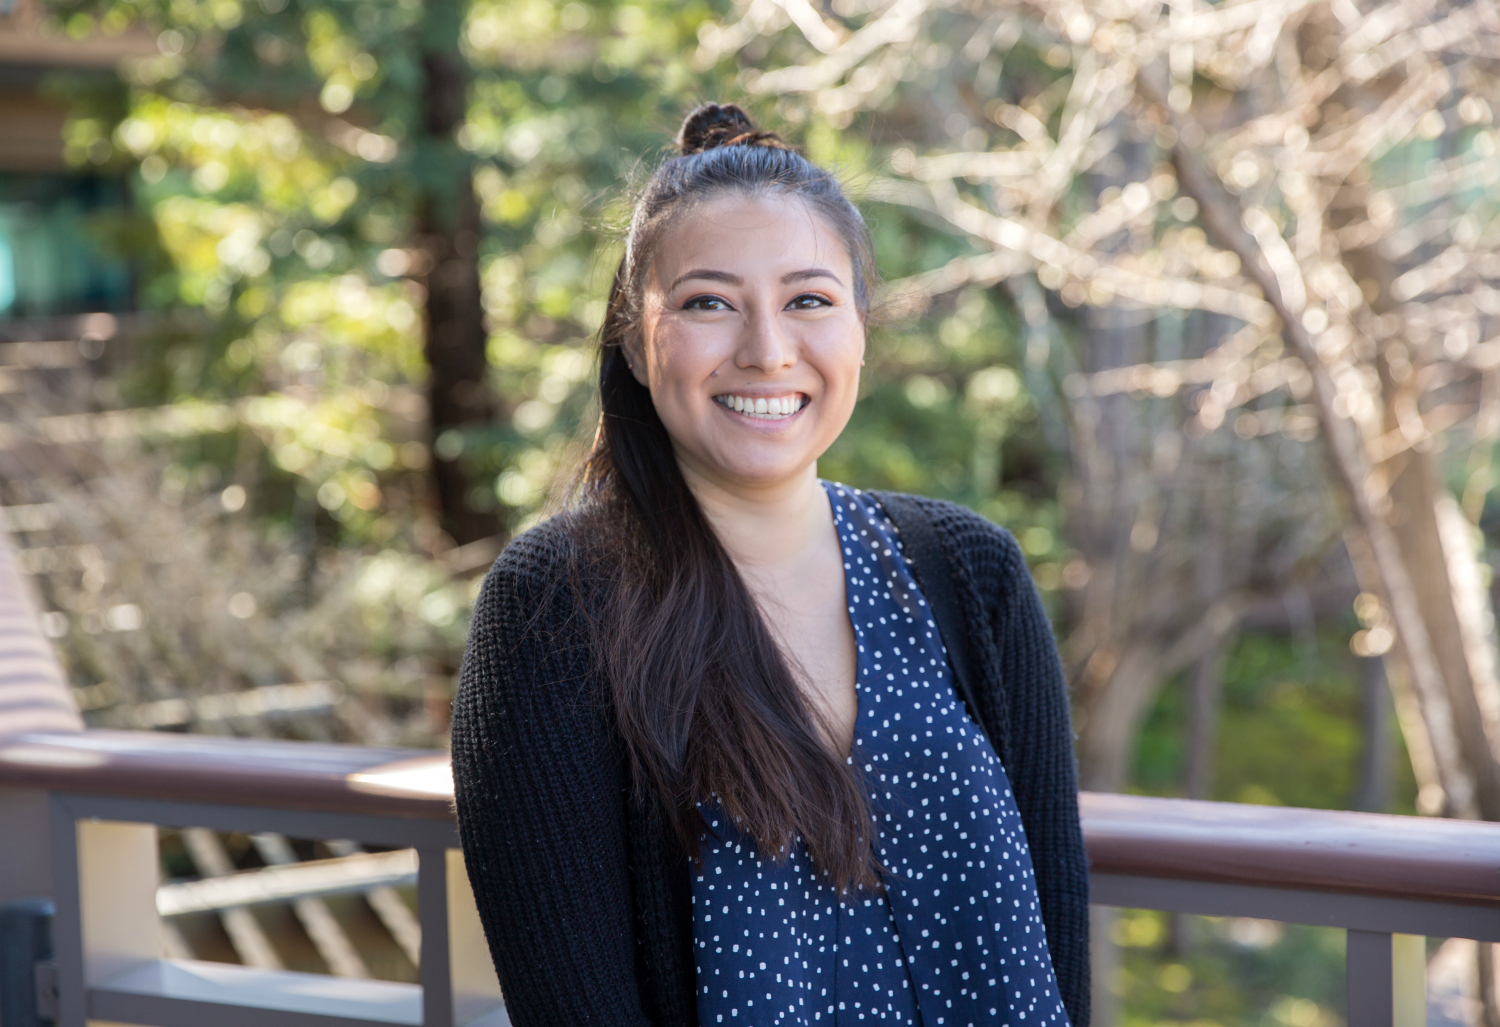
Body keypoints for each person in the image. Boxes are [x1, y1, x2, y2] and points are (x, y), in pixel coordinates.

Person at [451, 102, 1089, 1027]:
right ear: (635, 338)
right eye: (709, 302)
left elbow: (1058, 946)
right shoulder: (556, 602)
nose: (766, 350)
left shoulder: (969, 572)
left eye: (809, 300)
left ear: (861, 330)